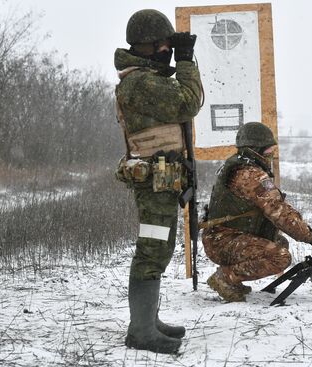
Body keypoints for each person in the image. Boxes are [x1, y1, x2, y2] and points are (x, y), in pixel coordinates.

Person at [114, 9, 202, 354]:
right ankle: (140, 331)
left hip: (162, 180)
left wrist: (178, 61)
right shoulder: (140, 82)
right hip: (153, 182)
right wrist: (186, 62)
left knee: (160, 248)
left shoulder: (147, 78)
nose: (169, 49)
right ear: (150, 47)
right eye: (165, 45)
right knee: (151, 250)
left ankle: (148, 320)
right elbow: (188, 102)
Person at [202, 122, 312, 302]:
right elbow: (277, 210)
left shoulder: (242, 167)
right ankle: (225, 278)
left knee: (279, 242)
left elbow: (278, 205)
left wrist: (303, 229)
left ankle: (233, 278)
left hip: (223, 237)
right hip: (223, 241)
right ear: (255, 150)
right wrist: (309, 236)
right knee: (279, 256)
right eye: (268, 151)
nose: (271, 155)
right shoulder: (250, 175)